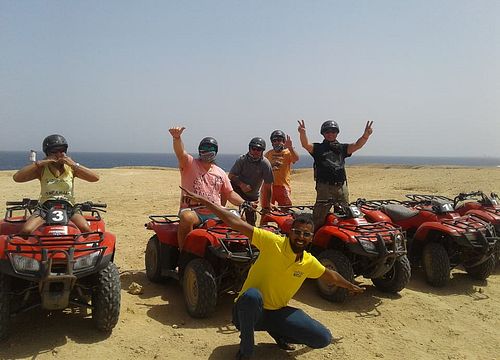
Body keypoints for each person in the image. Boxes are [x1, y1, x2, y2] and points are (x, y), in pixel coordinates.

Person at [180, 186, 364, 360]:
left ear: (311, 238)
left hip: (276, 313)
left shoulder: (308, 262)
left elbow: (329, 275)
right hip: (247, 311)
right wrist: (205, 201)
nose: (301, 237)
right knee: (252, 296)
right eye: (297, 232)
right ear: (289, 232)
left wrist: (350, 286)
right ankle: (246, 351)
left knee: (322, 338)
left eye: (306, 234)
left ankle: (279, 332)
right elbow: (235, 222)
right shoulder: (272, 242)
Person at [169, 126, 245, 249]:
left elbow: (230, 194)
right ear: (199, 150)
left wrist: (244, 203)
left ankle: (237, 249)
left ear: (216, 151)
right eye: (204, 148)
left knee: (239, 217)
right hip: (193, 210)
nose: (207, 151)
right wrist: (177, 138)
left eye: (211, 148)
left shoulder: (220, 172)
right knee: (186, 218)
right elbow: (180, 153)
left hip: (216, 210)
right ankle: (185, 252)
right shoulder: (189, 163)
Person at [12, 134, 100, 234]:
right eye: (54, 152)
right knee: (26, 230)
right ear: (47, 152)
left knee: (86, 229)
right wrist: (39, 163)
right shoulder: (41, 170)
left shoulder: (71, 169)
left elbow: (95, 178)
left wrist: (74, 165)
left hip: (69, 207)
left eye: (62, 151)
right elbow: (17, 178)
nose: (58, 154)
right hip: (45, 207)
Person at [298, 119, 373, 230]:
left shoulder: (342, 148)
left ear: (337, 133)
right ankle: (313, 241)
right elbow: (305, 145)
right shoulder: (318, 148)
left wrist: (366, 135)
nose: (330, 134)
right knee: (319, 216)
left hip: (341, 187)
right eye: (327, 132)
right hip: (324, 187)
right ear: (323, 133)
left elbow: (357, 145)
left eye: (333, 132)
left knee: (345, 214)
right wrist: (302, 133)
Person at [228, 137, 273, 225]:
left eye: (259, 149)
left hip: (252, 195)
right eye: (254, 148)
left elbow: (268, 185)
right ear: (250, 148)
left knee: (251, 222)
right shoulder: (242, 160)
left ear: (262, 151)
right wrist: (241, 184)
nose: (256, 151)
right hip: (239, 189)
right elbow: (231, 176)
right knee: (224, 185)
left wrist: (268, 204)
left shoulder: (265, 164)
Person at [264, 130, 299, 206]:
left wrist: (290, 148)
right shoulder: (268, 153)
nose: (277, 142)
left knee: (285, 210)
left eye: (279, 140)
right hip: (270, 186)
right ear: (272, 142)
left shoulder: (288, 152)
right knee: (267, 209)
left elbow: (296, 159)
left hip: (283, 187)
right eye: (274, 140)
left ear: (283, 141)